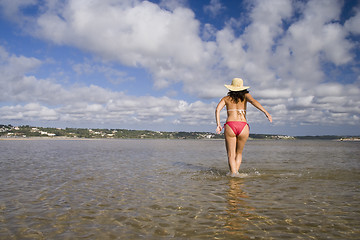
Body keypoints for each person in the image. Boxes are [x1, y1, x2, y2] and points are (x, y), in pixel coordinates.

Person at [215, 78, 272, 177]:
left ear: (231, 88)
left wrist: (218, 124)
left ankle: (233, 175)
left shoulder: (226, 98)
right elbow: (254, 102)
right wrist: (266, 112)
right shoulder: (246, 96)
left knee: (231, 155)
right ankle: (236, 174)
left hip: (230, 125)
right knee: (239, 153)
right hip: (243, 126)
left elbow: (217, 110)